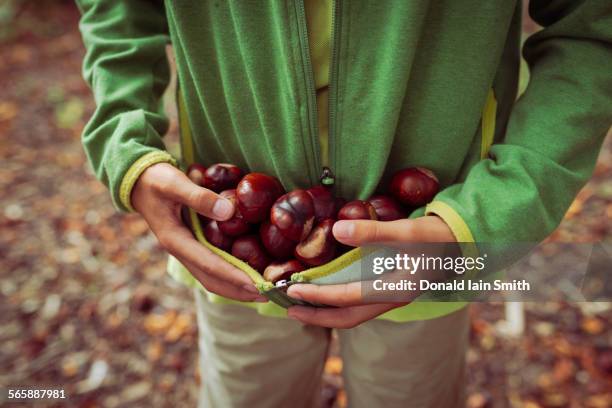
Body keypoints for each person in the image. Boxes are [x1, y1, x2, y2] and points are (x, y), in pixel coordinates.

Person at [76, 0, 611, 406]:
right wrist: (126, 144)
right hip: (239, 257)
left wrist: (492, 210)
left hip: (428, 242)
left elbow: (592, 24)